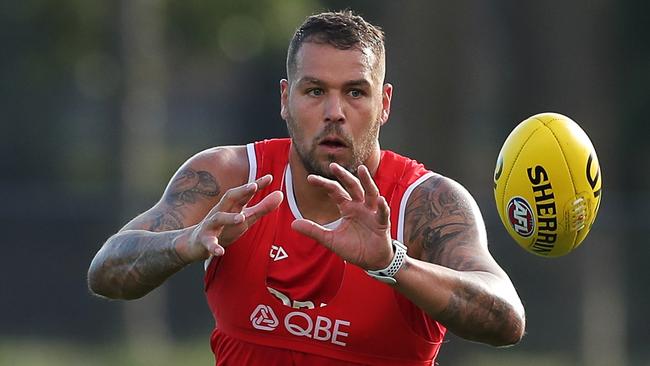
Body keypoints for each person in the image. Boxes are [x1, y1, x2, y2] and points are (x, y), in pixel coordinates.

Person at [88, 10, 525, 365]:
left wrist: (392, 264)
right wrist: (183, 243)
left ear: (384, 104)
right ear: (285, 99)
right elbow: (105, 272)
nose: (334, 111)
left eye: (355, 93)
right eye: (315, 91)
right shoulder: (229, 178)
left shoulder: (426, 202)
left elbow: (507, 320)